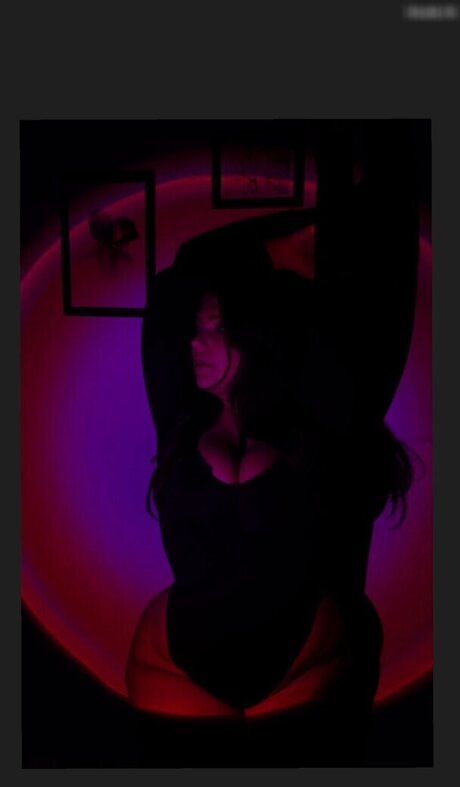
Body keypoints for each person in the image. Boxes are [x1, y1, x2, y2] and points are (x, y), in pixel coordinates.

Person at [126, 123, 419, 764]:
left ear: (256, 336)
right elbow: (174, 281)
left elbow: (383, 314)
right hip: (172, 671)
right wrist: (275, 250)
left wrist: (300, 248)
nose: (195, 342)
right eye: (196, 327)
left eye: (215, 326)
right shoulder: (179, 415)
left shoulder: (318, 418)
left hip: (303, 671)